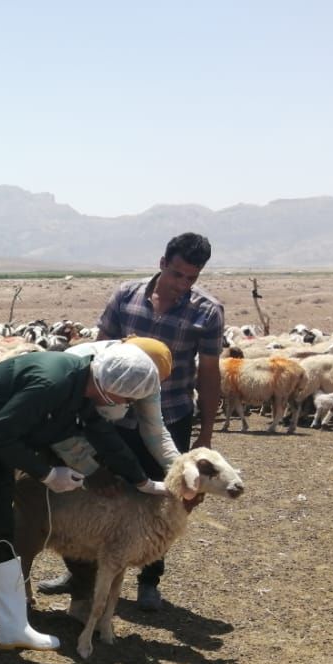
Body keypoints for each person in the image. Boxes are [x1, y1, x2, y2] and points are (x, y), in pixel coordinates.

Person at [0, 343, 166, 664]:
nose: (127, 405)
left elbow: (101, 433)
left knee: (1, 532)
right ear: (110, 387)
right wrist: (46, 474)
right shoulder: (53, 383)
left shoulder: (82, 385)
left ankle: (12, 627)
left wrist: (142, 480)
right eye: (127, 398)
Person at [74, 232, 224, 612]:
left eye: (191, 278)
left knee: (165, 497)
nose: (182, 284)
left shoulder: (207, 311)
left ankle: (149, 579)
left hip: (169, 414)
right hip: (114, 414)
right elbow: (100, 352)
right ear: (162, 264)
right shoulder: (126, 296)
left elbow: (209, 373)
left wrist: (205, 436)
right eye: (177, 274)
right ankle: (84, 573)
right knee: (100, 491)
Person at [35, 336, 176, 597]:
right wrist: (91, 469)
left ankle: (84, 591)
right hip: (50, 431)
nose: (139, 394)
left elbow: (154, 430)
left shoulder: (144, 378)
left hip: (98, 427)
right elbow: (57, 427)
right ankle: (66, 583)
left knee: (97, 513)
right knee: (53, 514)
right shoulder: (76, 367)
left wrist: (179, 469)